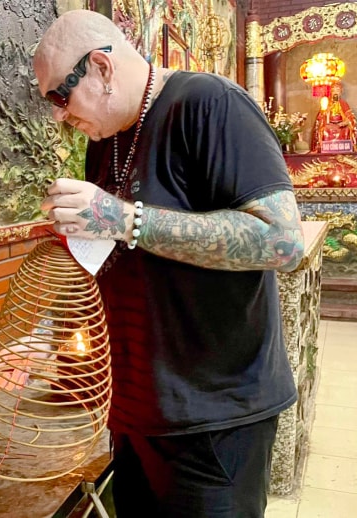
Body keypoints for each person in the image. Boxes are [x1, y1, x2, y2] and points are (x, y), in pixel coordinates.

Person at [34, 10, 305, 518]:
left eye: (58, 96)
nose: (57, 115)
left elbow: (282, 242)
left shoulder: (211, 103)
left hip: (215, 419)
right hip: (137, 414)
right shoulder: (106, 138)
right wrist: (78, 234)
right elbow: (128, 244)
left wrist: (123, 219)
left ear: (101, 67)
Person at [311, 81, 357, 152]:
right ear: (331, 92)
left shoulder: (343, 103)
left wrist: (345, 122)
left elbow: (350, 116)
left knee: (347, 129)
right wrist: (327, 109)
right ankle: (325, 150)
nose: (335, 92)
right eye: (333, 90)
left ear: (340, 92)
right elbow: (321, 116)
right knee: (325, 129)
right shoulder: (327, 103)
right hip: (330, 124)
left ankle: (345, 150)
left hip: (341, 125)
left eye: (337, 90)